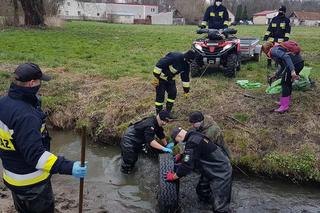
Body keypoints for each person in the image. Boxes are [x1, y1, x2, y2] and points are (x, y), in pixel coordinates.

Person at [0, 63, 88, 213]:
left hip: (12, 177)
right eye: (40, 81)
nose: (41, 85)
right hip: (33, 184)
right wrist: (68, 167)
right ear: (32, 83)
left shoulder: (3, 103)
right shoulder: (26, 116)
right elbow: (36, 157)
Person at [166, 127, 232, 213]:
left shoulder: (192, 142)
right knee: (202, 191)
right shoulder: (193, 134)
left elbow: (187, 165)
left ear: (179, 136)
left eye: (177, 141)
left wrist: (174, 176)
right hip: (210, 166)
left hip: (221, 170)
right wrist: (182, 155)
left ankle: (218, 207)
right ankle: (207, 206)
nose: (179, 143)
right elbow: (196, 150)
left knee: (220, 207)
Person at [262, 42, 304, 113]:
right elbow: (283, 66)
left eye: (263, 51)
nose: (264, 53)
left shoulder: (273, 50)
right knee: (287, 83)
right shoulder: (277, 50)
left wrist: (292, 70)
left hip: (294, 64)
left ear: (266, 49)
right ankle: (285, 102)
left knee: (284, 83)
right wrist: (276, 75)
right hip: (299, 63)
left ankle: (284, 106)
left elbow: (286, 57)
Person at [152, 50, 195, 114]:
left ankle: (167, 112)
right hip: (160, 78)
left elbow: (185, 78)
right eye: (189, 61)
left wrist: (186, 91)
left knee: (173, 93)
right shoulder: (175, 57)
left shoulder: (186, 65)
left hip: (170, 79)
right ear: (185, 58)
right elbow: (159, 64)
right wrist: (156, 77)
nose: (189, 63)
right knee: (160, 96)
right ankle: (158, 114)